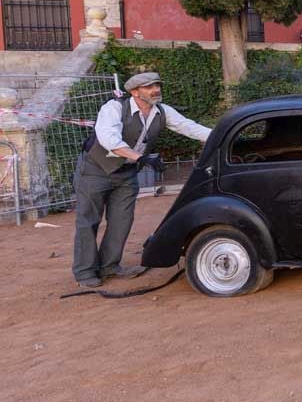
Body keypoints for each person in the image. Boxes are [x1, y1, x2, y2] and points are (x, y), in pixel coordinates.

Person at [72, 72, 211, 288]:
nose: (155, 90)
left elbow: (189, 127)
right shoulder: (114, 108)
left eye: (157, 85)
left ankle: (110, 266)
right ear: (135, 92)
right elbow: (109, 139)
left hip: (126, 174)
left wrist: (223, 133)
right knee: (88, 221)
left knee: (121, 221)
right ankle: (84, 272)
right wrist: (141, 158)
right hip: (95, 170)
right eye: (148, 87)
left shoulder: (162, 112)